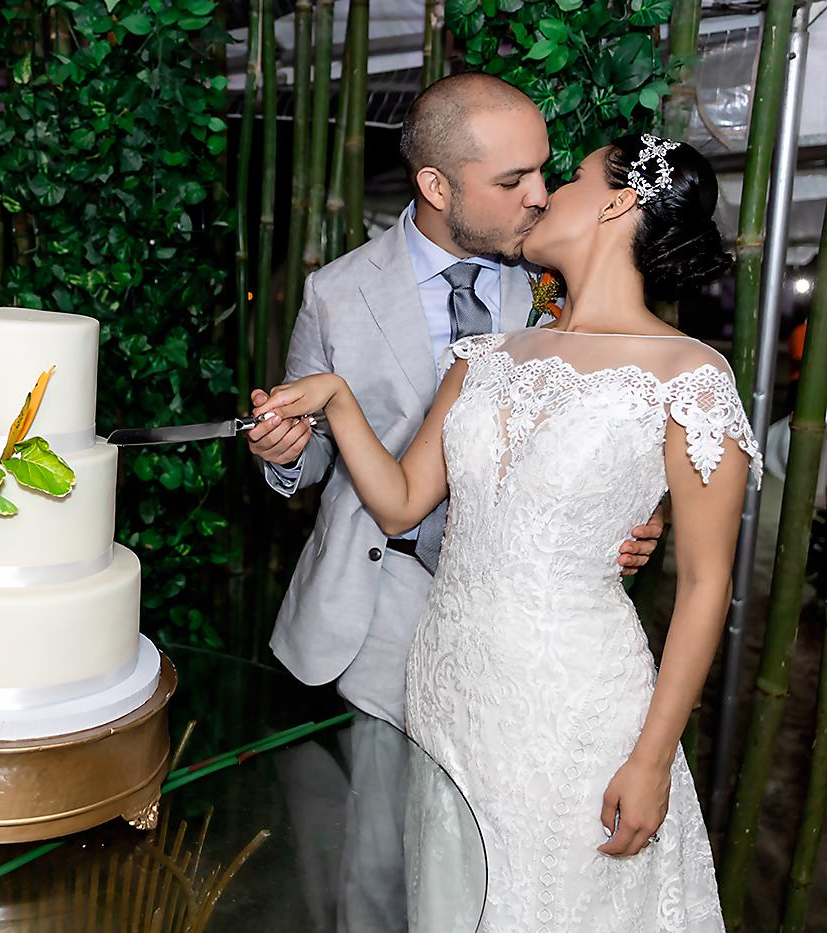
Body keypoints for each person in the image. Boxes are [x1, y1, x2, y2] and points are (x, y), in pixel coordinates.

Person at [256, 133, 754, 929]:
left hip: (572, 698)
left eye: (572, 177)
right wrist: (338, 401)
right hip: (447, 688)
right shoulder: (483, 355)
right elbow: (401, 501)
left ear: (619, 201)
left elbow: (704, 581)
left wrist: (653, 755)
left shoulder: (689, 374)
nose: (545, 192)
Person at [247, 74, 663, 732]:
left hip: (515, 617)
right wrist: (286, 450)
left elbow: (617, 411)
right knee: (377, 818)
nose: (539, 197)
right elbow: (315, 448)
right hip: (380, 594)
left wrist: (636, 508)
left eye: (542, 172)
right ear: (437, 186)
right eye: (510, 181)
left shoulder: (556, 281)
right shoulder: (336, 292)